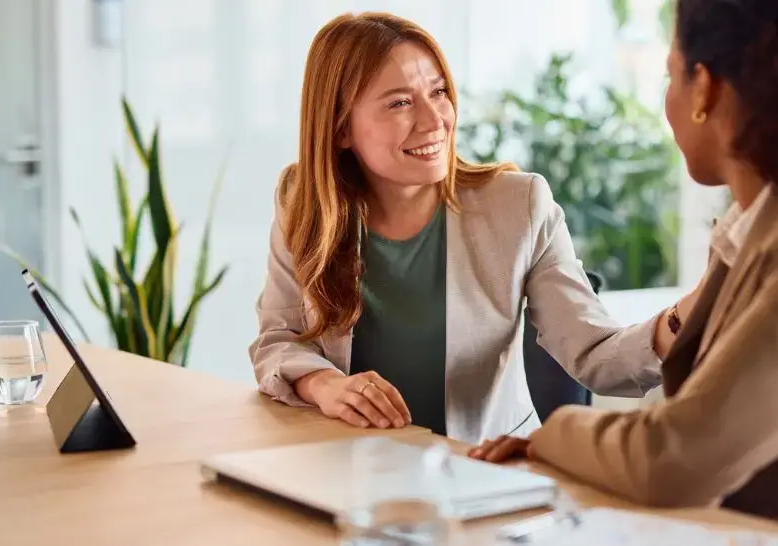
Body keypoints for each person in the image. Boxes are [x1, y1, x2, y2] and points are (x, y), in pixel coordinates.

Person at [470, 0, 778, 544]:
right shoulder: (766, 223)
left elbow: (674, 459)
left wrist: (551, 433)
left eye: (671, 74)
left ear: (706, 90)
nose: (665, 97)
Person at [247, 12, 702, 445]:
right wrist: (323, 383)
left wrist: (688, 316)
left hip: (484, 474)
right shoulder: (304, 202)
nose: (434, 120)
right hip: (347, 469)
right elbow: (278, 340)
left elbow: (598, 356)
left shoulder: (519, 205)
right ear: (341, 128)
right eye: (400, 102)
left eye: (439, 91)